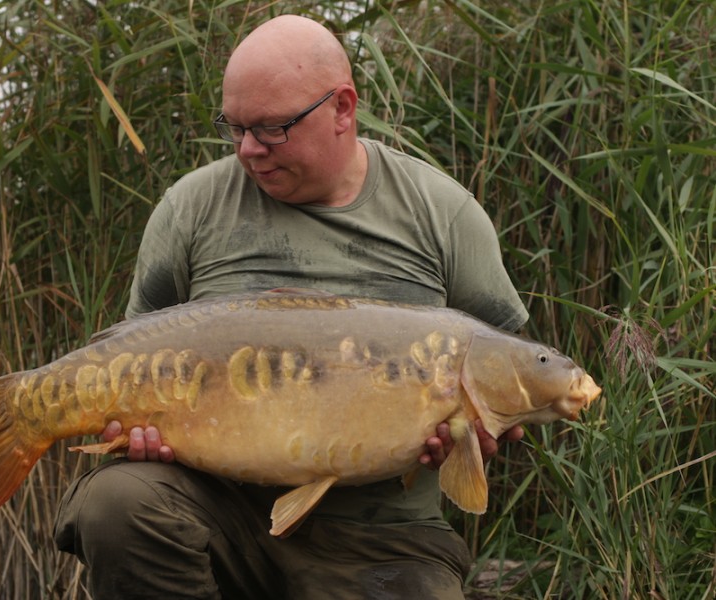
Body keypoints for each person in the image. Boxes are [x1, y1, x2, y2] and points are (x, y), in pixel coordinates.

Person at [55, 14, 528, 600]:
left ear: (343, 109)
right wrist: (133, 432)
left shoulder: (442, 215)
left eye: (273, 129)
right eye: (235, 128)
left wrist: (482, 433)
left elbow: (507, 374)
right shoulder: (191, 209)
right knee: (118, 499)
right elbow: (135, 345)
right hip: (216, 510)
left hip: (382, 537)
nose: (249, 150)